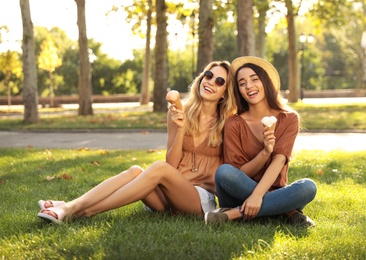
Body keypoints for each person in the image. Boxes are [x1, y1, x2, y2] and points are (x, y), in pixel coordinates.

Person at [37, 60, 237, 224]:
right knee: (135, 171)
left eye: (220, 81)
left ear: (224, 93)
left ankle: (75, 210)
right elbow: (172, 165)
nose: (211, 82)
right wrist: (182, 128)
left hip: (197, 199)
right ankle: (68, 206)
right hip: (166, 195)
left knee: (158, 168)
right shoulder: (179, 112)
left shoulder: (229, 122)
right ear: (201, 79)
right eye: (208, 76)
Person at [204, 56, 317, 226]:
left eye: (254, 79)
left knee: (308, 187)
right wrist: (265, 153)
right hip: (237, 191)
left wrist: (258, 197)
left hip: (273, 189)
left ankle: (232, 214)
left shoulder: (289, 119)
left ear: (265, 82)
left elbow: (279, 161)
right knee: (224, 172)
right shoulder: (234, 123)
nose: (249, 86)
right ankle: (286, 210)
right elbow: (239, 174)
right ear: (239, 90)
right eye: (242, 83)